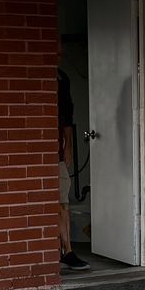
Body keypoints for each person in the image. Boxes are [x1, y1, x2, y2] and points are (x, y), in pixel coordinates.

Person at [57, 67, 88, 272]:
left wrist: (68, 146)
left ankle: (67, 251)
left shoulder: (61, 76)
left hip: (56, 151)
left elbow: (67, 113)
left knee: (63, 202)